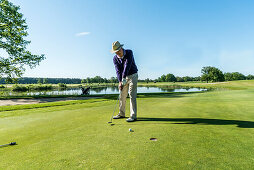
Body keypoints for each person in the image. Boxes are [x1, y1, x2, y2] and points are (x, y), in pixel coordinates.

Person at [111, 41, 138, 122]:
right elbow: (118, 71)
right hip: (123, 77)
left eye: (119, 51)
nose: (118, 53)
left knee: (132, 95)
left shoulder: (129, 52)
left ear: (122, 48)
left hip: (133, 75)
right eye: (116, 52)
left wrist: (123, 78)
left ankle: (133, 116)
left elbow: (127, 65)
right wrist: (120, 81)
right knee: (122, 95)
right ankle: (121, 113)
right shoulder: (115, 58)